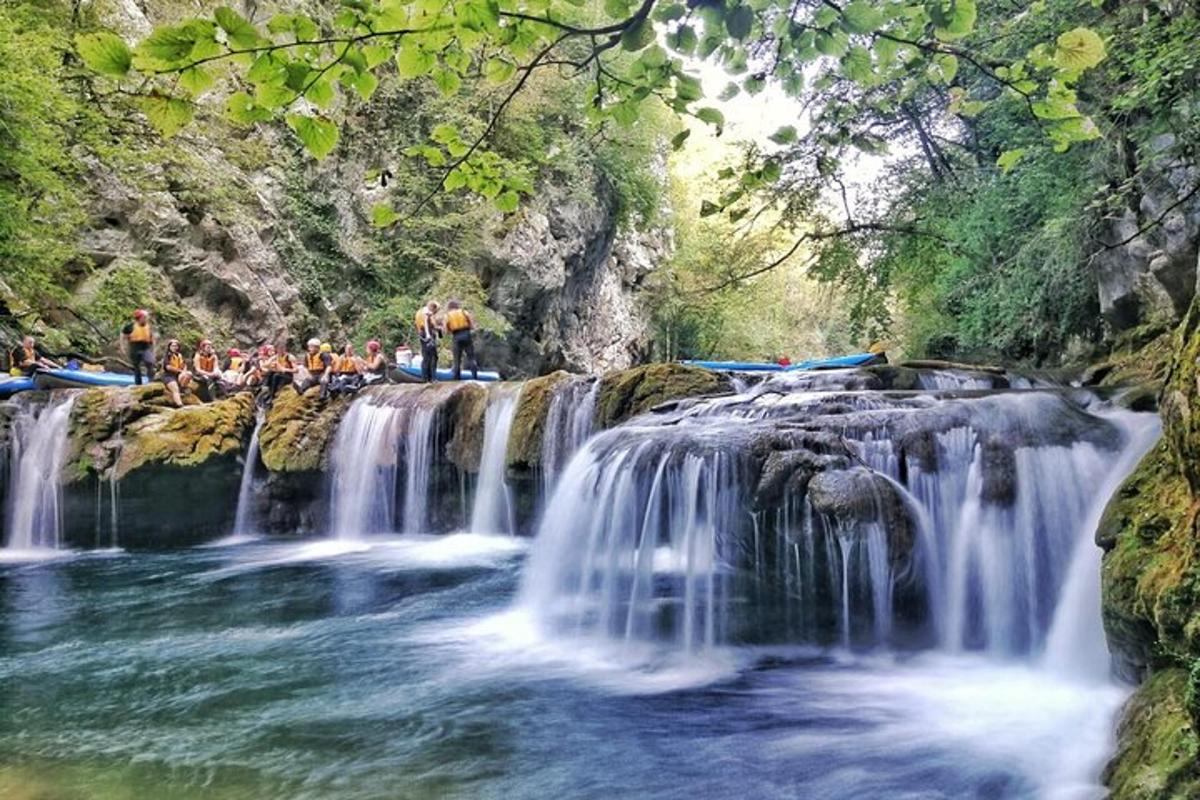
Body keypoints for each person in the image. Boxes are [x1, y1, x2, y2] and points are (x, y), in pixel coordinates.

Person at [444, 299, 478, 381]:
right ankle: (475, 377)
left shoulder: (447, 316)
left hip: (456, 336)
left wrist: (449, 332)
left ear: (449, 307)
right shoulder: (464, 312)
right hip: (466, 334)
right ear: (457, 306)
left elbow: (446, 330)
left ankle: (457, 379)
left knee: (457, 360)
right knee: (471, 357)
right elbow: (472, 325)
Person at [121, 309, 155, 385]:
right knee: (137, 367)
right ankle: (138, 384)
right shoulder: (130, 327)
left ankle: (151, 381)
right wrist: (122, 347)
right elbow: (123, 335)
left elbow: (152, 338)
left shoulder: (148, 326)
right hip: (134, 347)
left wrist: (153, 350)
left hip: (145, 347)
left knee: (150, 362)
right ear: (140, 318)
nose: (146, 319)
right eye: (145, 317)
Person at [414, 300, 441, 382]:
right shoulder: (428, 313)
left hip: (422, 335)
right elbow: (428, 323)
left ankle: (424, 378)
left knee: (426, 357)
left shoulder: (419, 312)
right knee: (434, 357)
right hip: (428, 335)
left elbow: (417, 324)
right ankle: (433, 378)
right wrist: (431, 333)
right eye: (435, 310)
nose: (435, 312)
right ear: (433, 307)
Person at [159, 339, 191, 407]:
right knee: (175, 389)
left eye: (176, 346)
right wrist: (180, 371)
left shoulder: (179, 355)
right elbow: (168, 367)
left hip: (177, 375)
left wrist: (184, 372)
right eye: (173, 346)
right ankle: (179, 404)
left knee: (189, 374)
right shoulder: (167, 355)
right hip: (168, 376)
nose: (175, 347)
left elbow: (184, 365)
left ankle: (183, 387)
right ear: (169, 347)